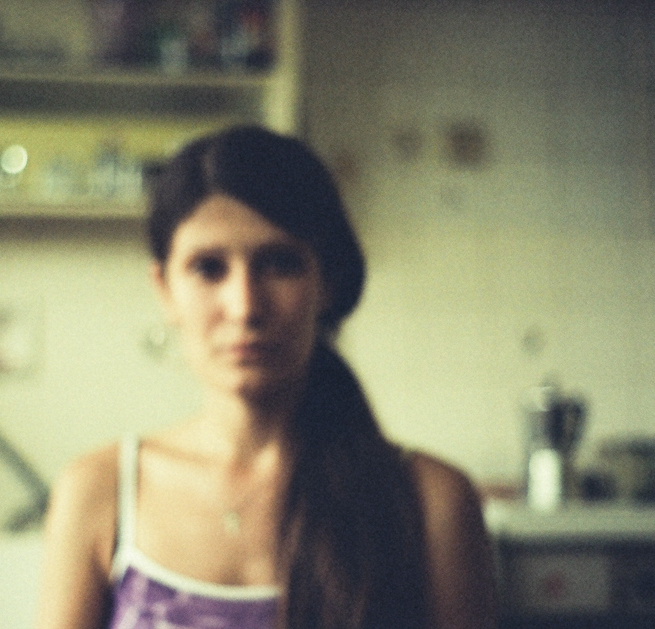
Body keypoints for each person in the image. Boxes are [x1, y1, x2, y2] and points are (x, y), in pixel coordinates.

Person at [35, 126, 497, 629]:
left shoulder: (432, 503)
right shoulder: (100, 492)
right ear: (164, 289)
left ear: (327, 280)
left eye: (279, 263)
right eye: (209, 268)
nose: (245, 306)